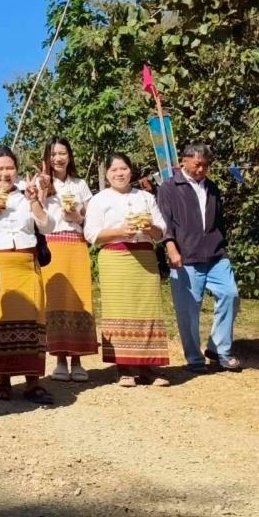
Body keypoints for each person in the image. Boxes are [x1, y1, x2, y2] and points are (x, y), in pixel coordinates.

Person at [0, 145, 54, 404]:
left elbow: (47, 226)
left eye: (10, 168)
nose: (5, 173)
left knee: (30, 321)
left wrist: (35, 201)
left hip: (25, 264)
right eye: (0, 168)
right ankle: (3, 381)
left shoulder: (27, 191)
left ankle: (33, 382)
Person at [84, 153, 170, 387]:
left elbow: (161, 231)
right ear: (107, 174)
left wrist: (149, 227)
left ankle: (148, 366)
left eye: (123, 169)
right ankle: (123, 368)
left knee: (148, 310)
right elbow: (91, 234)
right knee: (119, 310)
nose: (119, 174)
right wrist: (120, 232)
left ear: (131, 170)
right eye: (114, 170)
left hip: (145, 258)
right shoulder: (100, 200)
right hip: (115, 258)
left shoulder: (146, 197)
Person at [158, 143, 241, 373]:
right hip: (185, 256)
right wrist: (171, 249)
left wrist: (222, 245)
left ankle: (219, 349)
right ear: (184, 161)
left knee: (230, 294)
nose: (201, 169)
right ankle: (194, 358)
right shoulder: (169, 187)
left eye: (205, 165)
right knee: (189, 310)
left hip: (216, 255)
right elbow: (164, 222)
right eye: (197, 164)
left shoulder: (212, 188)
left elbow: (219, 221)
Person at [37, 138, 98, 382]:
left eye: (62, 153)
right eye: (53, 154)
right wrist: (42, 190)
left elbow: (92, 219)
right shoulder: (42, 182)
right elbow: (36, 214)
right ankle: (60, 359)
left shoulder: (80, 184)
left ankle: (78, 359)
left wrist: (77, 217)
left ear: (69, 156)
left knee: (78, 300)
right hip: (52, 246)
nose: (58, 158)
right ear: (47, 158)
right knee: (55, 302)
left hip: (77, 245)